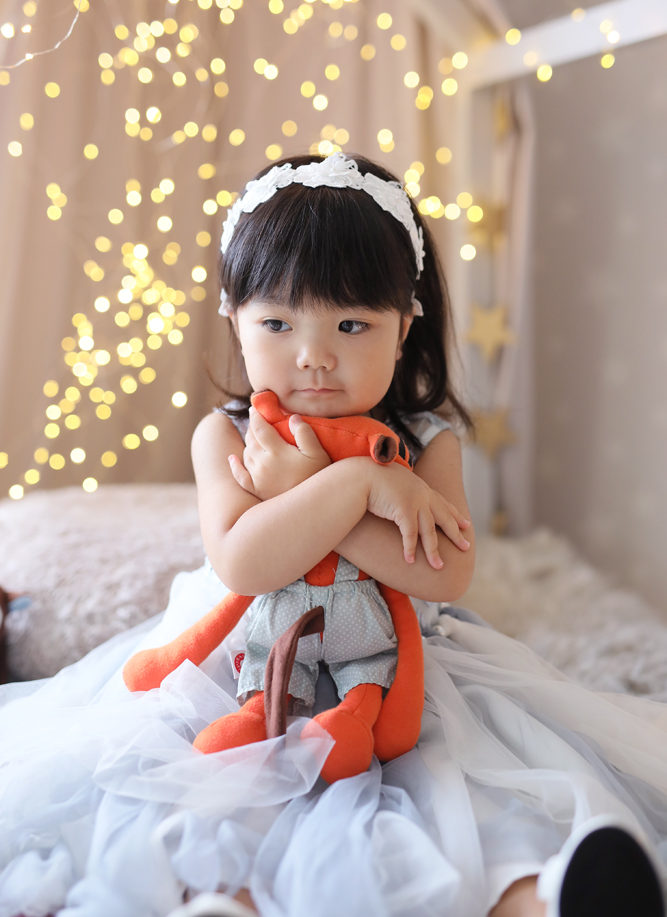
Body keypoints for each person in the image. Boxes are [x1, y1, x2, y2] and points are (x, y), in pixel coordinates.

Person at [0, 153, 665, 917]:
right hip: (248, 666)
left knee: (456, 794)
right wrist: (356, 486)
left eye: (351, 324)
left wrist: (309, 486)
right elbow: (245, 560)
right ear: (234, 318)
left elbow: (442, 574)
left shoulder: (426, 441)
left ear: (404, 326)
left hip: (396, 670)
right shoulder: (225, 436)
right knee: (222, 797)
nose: (313, 354)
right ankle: (226, 901)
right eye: (278, 323)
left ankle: (540, 897)